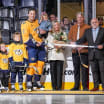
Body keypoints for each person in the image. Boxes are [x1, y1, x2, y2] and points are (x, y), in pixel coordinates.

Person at [72, 18, 104, 91]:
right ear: (91, 23)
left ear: (98, 23)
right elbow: (82, 39)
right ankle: (96, 86)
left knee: (102, 71)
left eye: (95, 22)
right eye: (93, 22)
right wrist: (75, 43)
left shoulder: (103, 30)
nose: (94, 23)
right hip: (92, 54)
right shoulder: (88, 31)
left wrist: (102, 45)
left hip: (101, 54)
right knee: (94, 71)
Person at [21, 8, 46, 91]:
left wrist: (42, 41)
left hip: (41, 46)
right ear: (28, 14)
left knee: (41, 64)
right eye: (31, 13)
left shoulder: (37, 22)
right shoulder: (24, 24)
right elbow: (26, 39)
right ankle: (29, 82)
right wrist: (35, 44)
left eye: (34, 14)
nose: (32, 15)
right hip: (32, 47)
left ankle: (37, 81)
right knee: (32, 65)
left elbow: (42, 32)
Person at [68, 12, 90, 91]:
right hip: (75, 52)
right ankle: (76, 86)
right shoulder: (73, 27)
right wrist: (71, 43)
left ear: (83, 18)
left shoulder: (88, 27)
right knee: (76, 69)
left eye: (81, 17)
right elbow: (69, 38)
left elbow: (90, 40)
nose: (79, 19)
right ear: (76, 18)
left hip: (84, 52)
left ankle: (85, 87)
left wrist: (82, 46)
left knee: (84, 70)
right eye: (78, 17)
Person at [46, 21, 67, 90]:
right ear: (53, 26)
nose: (56, 26)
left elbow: (65, 43)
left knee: (59, 72)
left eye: (57, 25)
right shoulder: (50, 34)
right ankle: (54, 87)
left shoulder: (63, 33)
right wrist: (55, 45)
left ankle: (59, 87)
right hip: (52, 55)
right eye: (55, 25)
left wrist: (60, 46)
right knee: (53, 72)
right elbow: (48, 43)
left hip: (60, 55)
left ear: (59, 26)